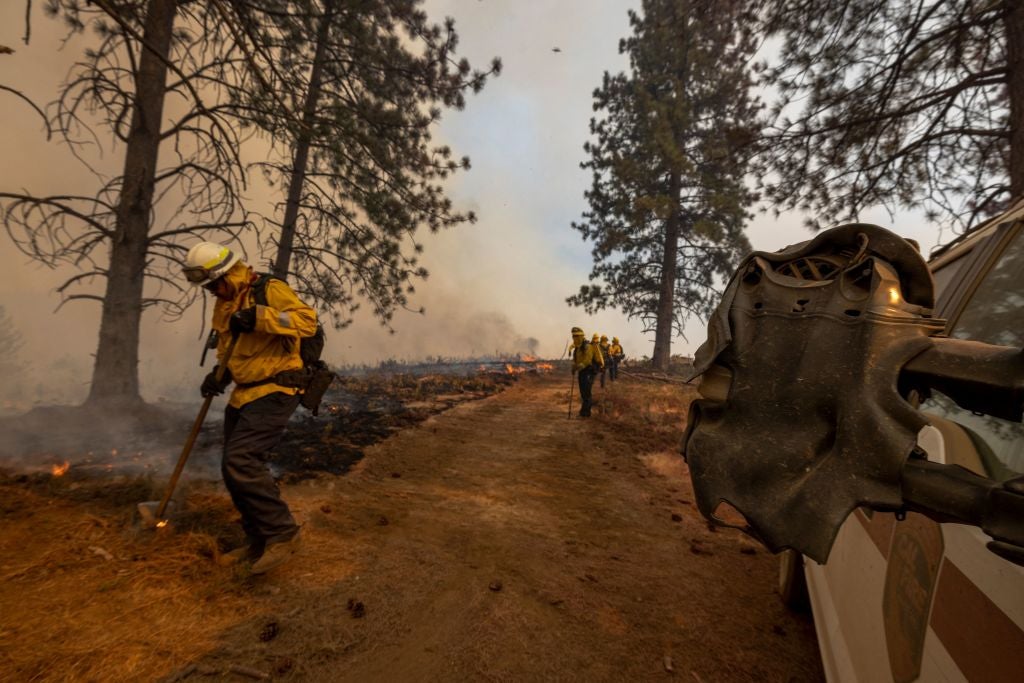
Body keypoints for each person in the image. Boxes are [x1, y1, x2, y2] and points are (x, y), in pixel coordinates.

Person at [183, 241, 318, 574]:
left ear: (230, 272)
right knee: (233, 468)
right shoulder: (225, 305)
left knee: (240, 460)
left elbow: (307, 322)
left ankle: (282, 534)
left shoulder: (269, 289)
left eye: (215, 283)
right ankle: (258, 540)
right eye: (209, 288)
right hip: (244, 393)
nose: (214, 291)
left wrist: (260, 317)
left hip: (276, 388)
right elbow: (233, 350)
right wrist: (218, 377)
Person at [571, 327, 604, 417]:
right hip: (582, 372)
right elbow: (576, 359)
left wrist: (579, 366)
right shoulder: (577, 348)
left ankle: (586, 413)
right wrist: (574, 367)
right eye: (574, 336)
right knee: (583, 392)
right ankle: (584, 411)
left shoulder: (588, 347)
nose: (575, 338)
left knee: (586, 392)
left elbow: (587, 360)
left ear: (582, 336)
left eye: (577, 336)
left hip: (589, 371)